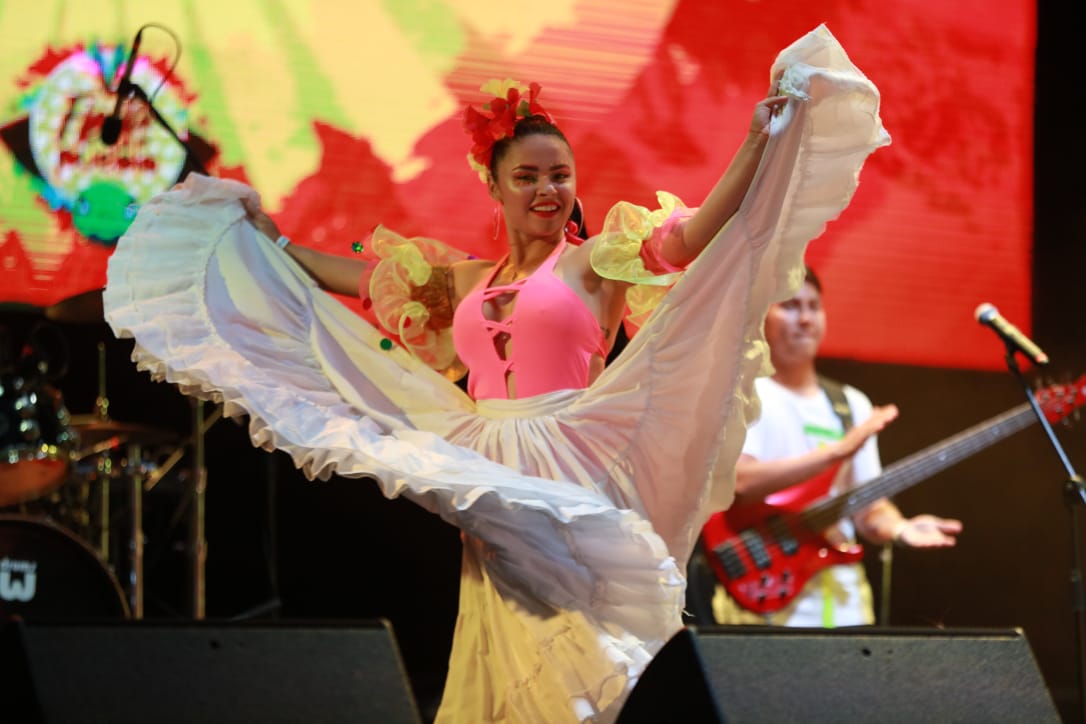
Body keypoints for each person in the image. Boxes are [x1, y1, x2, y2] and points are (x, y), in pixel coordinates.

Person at [103, 26, 890, 723]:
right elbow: (348, 279)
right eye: (529, 177)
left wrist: (754, 143)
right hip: (485, 462)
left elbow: (687, 239)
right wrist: (265, 242)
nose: (549, 191)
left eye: (561, 175)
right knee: (503, 630)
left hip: (569, 460)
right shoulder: (464, 282)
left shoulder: (594, 260)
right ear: (495, 184)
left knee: (577, 633)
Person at [700, 266, 963, 627]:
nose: (805, 318)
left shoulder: (849, 403)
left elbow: (867, 506)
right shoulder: (744, 393)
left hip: (844, 600)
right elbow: (737, 483)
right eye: (791, 306)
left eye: (814, 306)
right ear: (760, 315)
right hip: (763, 595)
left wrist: (899, 527)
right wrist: (836, 453)